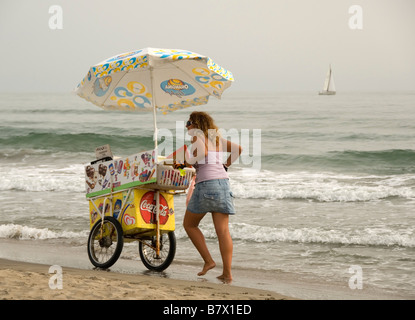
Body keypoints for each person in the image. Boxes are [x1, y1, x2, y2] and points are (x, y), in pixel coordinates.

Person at [177, 111, 242, 283]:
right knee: (223, 232)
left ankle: (208, 261)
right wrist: (225, 165)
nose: (186, 125)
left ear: (197, 124)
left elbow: (202, 155)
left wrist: (186, 161)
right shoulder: (216, 138)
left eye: (189, 122)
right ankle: (227, 274)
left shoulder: (197, 138)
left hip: (207, 185)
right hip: (223, 184)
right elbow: (238, 149)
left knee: (189, 225)